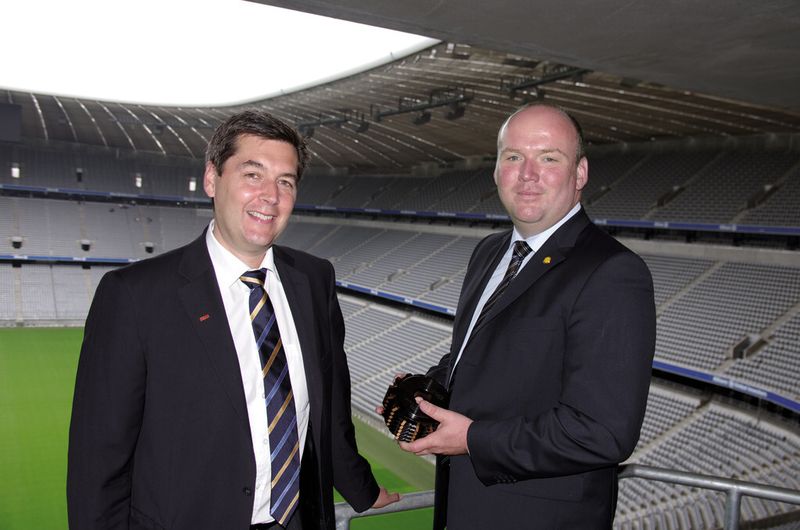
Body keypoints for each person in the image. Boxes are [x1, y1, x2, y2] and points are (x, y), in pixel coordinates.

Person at [68, 110, 398, 530]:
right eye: (252, 174)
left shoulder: (315, 279)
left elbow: (328, 408)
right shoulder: (134, 295)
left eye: (286, 182)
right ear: (211, 179)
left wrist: (361, 487)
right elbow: (98, 459)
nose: (271, 196)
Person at [398, 104, 656, 529]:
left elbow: (602, 432)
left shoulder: (612, 272)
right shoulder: (489, 252)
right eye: (513, 157)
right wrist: (425, 388)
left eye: (549, 158)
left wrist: (472, 439)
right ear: (496, 170)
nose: (528, 174)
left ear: (580, 173)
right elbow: (477, 359)